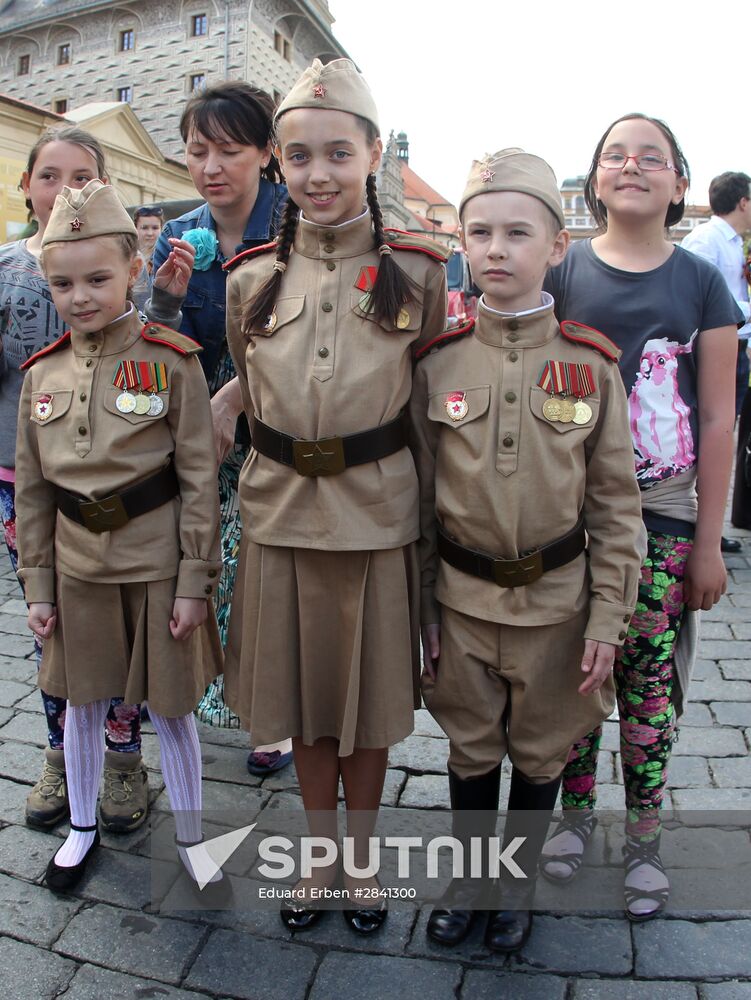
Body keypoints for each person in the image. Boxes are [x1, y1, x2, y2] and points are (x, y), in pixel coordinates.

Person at [222, 57, 448, 934]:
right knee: (304, 699)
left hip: (378, 519)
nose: (318, 174)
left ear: (368, 156)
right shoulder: (250, 280)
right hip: (280, 517)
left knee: (369, 701)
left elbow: (429, 422)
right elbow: (252, 397)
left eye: (337, 154)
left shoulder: (421, 274)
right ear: (278, 164)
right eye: (299, 156)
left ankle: (362, 855)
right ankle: (319, 855)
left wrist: (429, 561)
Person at [410, 149, 644, 953]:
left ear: (557, 247)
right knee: (470, 747)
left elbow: (617, 504)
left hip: (557, 604)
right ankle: (471, 881)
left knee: (541, 750)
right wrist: (422, 610)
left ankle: (515, 888)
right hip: (463, 604)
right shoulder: (437, 362)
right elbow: (417, 503)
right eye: (480, 233)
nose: (497, 249)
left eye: (518, 232)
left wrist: (607, 619)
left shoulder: (589, 364)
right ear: (463, 245)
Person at [540, 114, 741, 921]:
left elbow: (721, 419)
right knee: (572, 676)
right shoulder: (563, 271)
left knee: (647, 686)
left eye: (650, 157)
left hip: (660, 513)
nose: (630, 166)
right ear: (592, 180)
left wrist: (707, 541)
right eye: (613, 155)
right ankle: (574, 820)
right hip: (567, 517)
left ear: (679, 184)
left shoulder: (700, 282)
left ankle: (646, 837)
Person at [14, 179, 226, 898]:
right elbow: (35, 492)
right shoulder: (41, 375)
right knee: (81, 701)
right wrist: (37, 586)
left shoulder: (173, 360)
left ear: (135, 271)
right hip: (77, 571)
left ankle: (195, 837)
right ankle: (81, 828)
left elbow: (200, 480)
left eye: (98, 278)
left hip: (156, 566)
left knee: (170, 706)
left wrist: (196, 581)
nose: (80, 295)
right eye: (63, 282)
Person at [0, 126, 149, 835]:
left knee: (124, 626)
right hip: (22, 478)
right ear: (27, 187)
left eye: (82, 177)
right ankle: (62, 754)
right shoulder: (4, 267)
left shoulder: (110, 264)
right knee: (48, 622)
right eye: (50, 175)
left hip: (113, 490)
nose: (64, 190)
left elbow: (141, 360)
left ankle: (122, 757)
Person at [146, 81, 292, 776]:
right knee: (211, 562)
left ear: (267, 154)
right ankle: (216, 689)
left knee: (272, 567)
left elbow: (304, 341)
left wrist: (232, 399)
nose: (210, 166)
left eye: (229, 150)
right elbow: (159, 341)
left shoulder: (296, 224)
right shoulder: (181, 235)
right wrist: (166, 305)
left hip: (284, 418)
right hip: (201, 430)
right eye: (197, 150)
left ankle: (276, 711)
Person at [679, 172, 751, 540]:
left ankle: (711, 525)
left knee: (723, 430)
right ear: (743, 202)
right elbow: (693, 299)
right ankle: (699, 521)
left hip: (736, 348)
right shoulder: (707, 239)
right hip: (711, 349)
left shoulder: (735, 243)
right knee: (706, 431)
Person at [131, 206, 164, 312]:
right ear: (135, 228)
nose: (150, 233)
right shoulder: (128, 257)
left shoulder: (167, 257)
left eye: (155, 228)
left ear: (161, 229)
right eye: (144, 228)